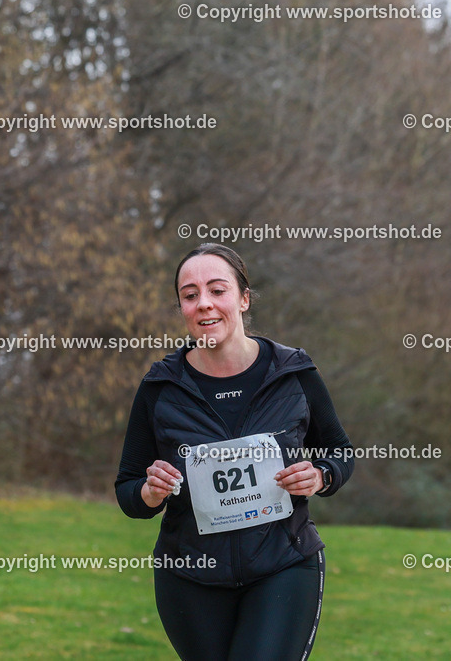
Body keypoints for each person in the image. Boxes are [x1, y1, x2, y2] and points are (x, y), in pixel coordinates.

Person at [115, 243, 354, 661]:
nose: (204, 303)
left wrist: (321, 475)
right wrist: (149, 493)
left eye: (217, 290)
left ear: (244, 299)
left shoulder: (293, 372)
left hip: (283, 566)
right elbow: (128, 489)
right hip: (190, 578)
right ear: (182, 308)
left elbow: (340, 451)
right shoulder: (160, 387)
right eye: (190, 295)